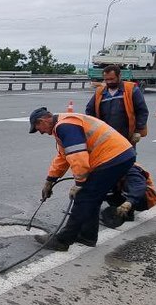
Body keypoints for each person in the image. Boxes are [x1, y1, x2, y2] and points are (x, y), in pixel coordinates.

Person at [30, 106, 136, 250]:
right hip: (119, 156)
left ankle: (62, 241)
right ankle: (87, 236)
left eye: (38, 128)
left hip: (113, 158)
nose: (41, 132)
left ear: (43, 121)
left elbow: (78, 156)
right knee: (93, 197)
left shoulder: (65, 126)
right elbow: (63, 157)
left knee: (83, 197)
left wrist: (80, 183)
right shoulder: (62, 125)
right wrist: (50, 181)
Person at [86, 64, 149, 146]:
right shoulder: (100, 92)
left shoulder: (131, 89)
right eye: (106, 79)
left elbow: (142, 111)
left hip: (126, 136)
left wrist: (138, 131)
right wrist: (93, 129)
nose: (109, 82)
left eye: (112, 79)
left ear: (119, 76)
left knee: (126, 157)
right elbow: (90, 110)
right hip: (105, 135)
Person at [100, 162, 156, 228]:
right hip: (124, 190)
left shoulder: (130, 168)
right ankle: (120, 208)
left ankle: (127, 213)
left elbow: (138, 186)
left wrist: (129, 202)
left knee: (127, 187)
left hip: (145, 197)